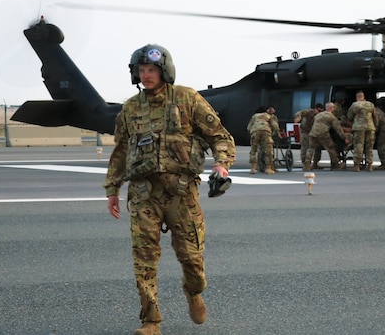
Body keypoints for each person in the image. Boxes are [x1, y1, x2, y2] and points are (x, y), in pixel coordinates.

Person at [104, 44, 236, 335]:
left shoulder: (187, 99)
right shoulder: (129, 108)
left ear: (164, 71)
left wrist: (222, 164)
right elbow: (121, 152)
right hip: (143, 194)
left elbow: (220, 136)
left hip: (182, 193)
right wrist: (112, 187)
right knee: (144, 258)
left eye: (151, 70)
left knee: (192, 259)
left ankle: (193, 292)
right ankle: (151, 320)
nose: (146, 75)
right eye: (141, 71)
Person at [306, 102, 349, 170]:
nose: (334, 109)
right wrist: (344, 138)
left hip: (313, 133)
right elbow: (338, 129)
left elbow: (312, 123)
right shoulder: (331, 117)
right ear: (331, 108)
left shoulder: (318, 115)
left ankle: (308, 165)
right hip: (323, 134)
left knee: (311, 149)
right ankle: (337, 164)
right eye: (333, 107)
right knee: (331, 148)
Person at [347, 90, 377, 171]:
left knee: (358, 146)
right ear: (363, 97)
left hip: (359, 128)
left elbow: (349, 116)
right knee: (369, 147)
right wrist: (375, 126)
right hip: (370, 128)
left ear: (357, 97)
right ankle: (370, 165)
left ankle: (357, 166)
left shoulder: (355, 105)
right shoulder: (370, 104)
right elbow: (375, 116)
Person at [247, 105, 280, 174]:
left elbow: (248, 127)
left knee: (253, 150)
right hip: (266, 131)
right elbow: (275, 126)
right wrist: (274, 133)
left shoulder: (254, 116)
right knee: (268, 150)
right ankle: (268, 168)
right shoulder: (268, 116)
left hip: (255, 132)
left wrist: (252, 133)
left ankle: (253, 168)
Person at [294, 102, 324, 169]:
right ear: (315, 109)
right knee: (305, 147)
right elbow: (299, 113)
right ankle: (305, 164)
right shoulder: (309, 112)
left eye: (321, 111)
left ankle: (315, 163)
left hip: (314, 133)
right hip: (305, 132)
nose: (319, 112)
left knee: (317, 148)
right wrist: (298, 118)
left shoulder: (320, 116)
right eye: (318, 110)